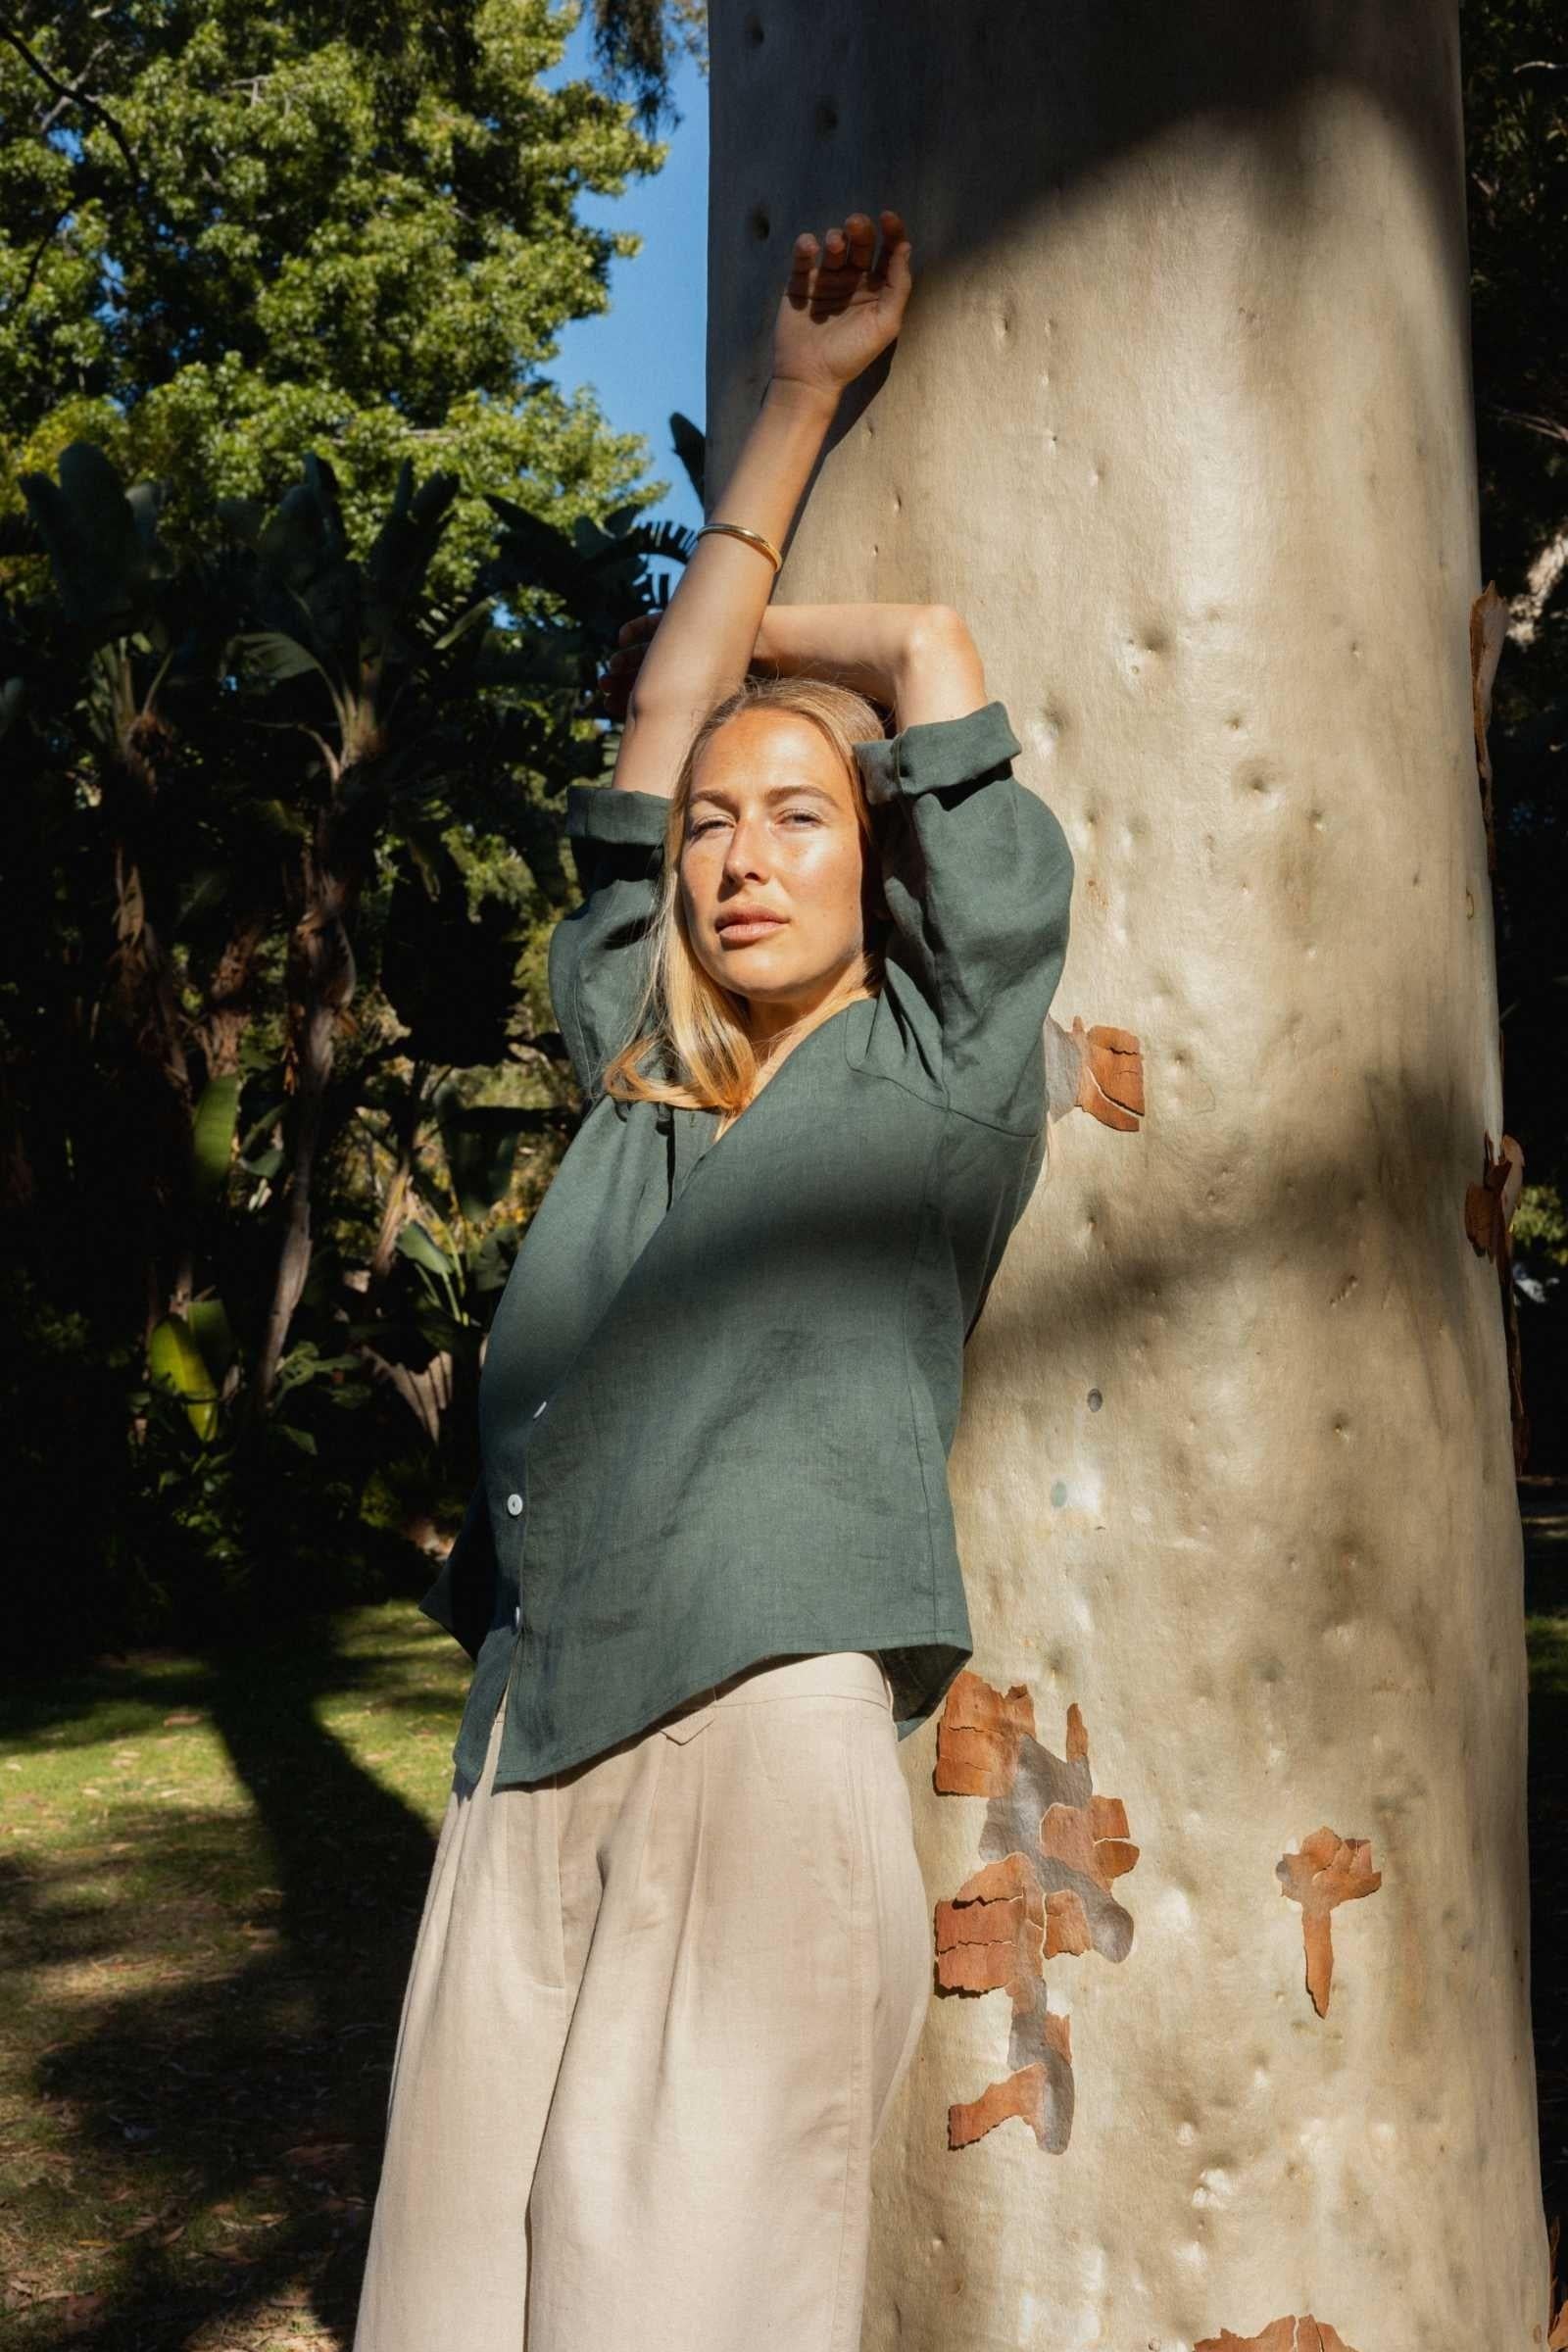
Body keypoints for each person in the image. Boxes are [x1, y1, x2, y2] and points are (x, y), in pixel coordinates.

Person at [353, 207, 1075, 2352]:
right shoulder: (632, 1075)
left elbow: (933, 651)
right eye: (707, 832)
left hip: (764, 1726)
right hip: (525, 1731)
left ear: (888, 867)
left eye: (795, 821)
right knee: (450, 2305)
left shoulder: (941, 1068)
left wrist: (788, 647)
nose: (735, 853)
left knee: (677, 2301)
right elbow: (659, 726)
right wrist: (791, 399)